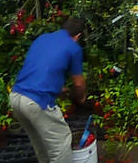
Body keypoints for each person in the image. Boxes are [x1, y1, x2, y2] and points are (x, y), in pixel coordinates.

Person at [10, 18, 87, 163]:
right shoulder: (73, 47)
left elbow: (41, 70)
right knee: (61, 143)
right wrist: (80, 98)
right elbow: (78, 83)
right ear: (78, 36)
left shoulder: (42, 39)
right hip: (37, 102)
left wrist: (59, 90)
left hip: (16, 97)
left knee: (41, 144)